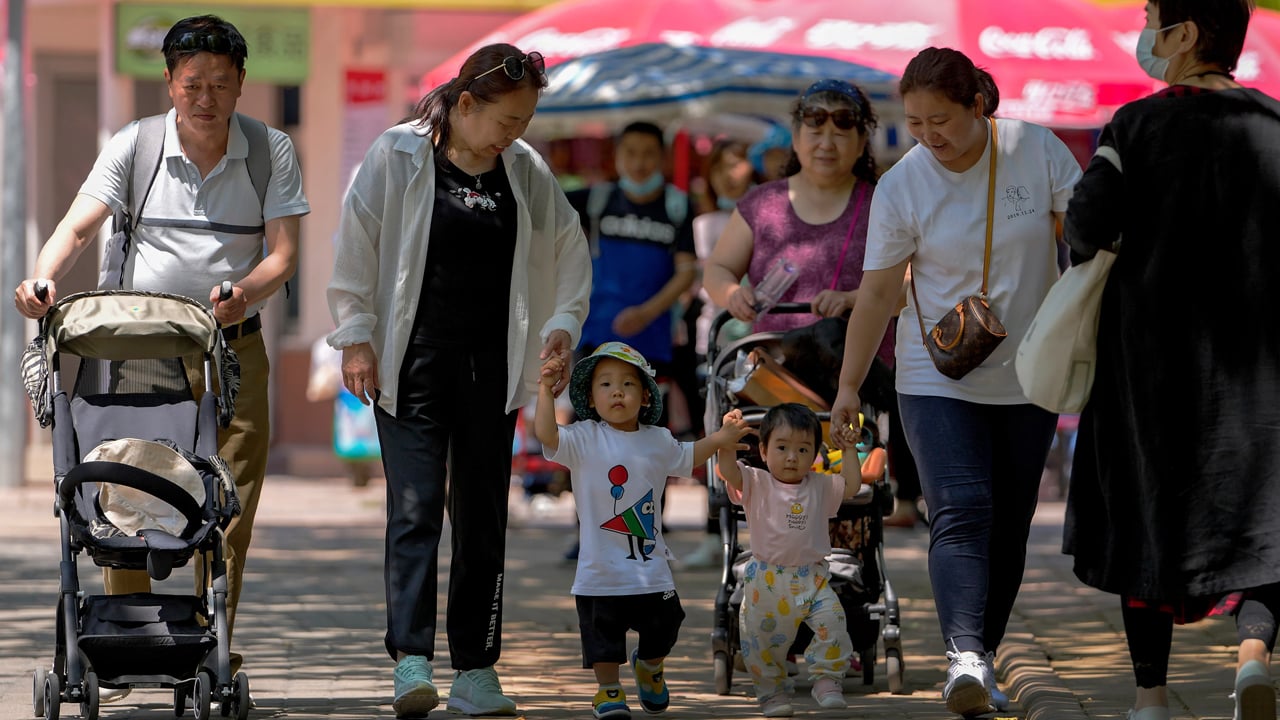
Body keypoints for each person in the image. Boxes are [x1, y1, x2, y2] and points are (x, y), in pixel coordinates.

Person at [13, 13, 308, 698]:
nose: (205, 98)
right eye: (191, 83)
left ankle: (215, 645)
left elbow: (284, 254)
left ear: (240, 86)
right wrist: (43, 278)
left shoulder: (270, 151)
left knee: (228, 502)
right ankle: (127, 639)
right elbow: (77, 226)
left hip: (232, 350)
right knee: (128, 487)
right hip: (142, 349)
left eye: (220, 84)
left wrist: (242, 295)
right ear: (171, 83)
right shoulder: (135, 145)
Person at [325, 43, 591, 718]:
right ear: (466, 104)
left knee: (481, 522)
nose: (516, 133)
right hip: (410, 365)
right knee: (413, 512)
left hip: (493, 370)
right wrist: (355, 334)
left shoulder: (524, 170)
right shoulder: (398, 154)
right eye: (507, 120)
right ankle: (411, 661)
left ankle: (476, 668)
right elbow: (356, 241)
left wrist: (561, 322)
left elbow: (568, 247)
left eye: (526, 121)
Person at [829, 46, 1082, 717]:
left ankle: (985, 656)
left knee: (1011, 525)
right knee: (962, 510)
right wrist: (849, 386)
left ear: (979, 105)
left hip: (1031, 369)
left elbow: (1086, 245)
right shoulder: (904, 185)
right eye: (913, 123)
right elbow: (879, 292)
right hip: (935, 373)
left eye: (939, 119)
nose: (927, 136)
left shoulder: (1036, 149)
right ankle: (963, 656)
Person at [1061, 2, 1280, 719]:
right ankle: (1252, 659)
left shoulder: (1136, 126)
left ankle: (1151, 698)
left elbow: (1087, 230)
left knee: (1145, 523)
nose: (1145, 34)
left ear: (1184, 35)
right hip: (1260, 374)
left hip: (1147, 371)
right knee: (1266, 522)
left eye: (1152, 18)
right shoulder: (1275, 125)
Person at [534, 341, 749, 719]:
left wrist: (720, 439)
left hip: (649, 567)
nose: (617, 391)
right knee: (603, 640)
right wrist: (544, 391)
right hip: (599, 571)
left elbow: (688, 455)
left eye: (628, 384)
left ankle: (649, 666)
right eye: (606, 384)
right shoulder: (583, 438)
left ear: (646, 397)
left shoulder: (658, 439)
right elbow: (547, 435)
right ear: (590, 397)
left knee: (667, 623)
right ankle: (609, 690)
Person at [717, 402, 862, 717]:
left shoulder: (820, 486)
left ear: (815, 455)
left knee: (834, 623)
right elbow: (727, 471)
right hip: (766, 581)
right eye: (782, 447)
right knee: (760, 641)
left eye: (803, 449)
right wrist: (725, 443)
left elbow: (851, 485)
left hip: (813, 578)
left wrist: (849, 450)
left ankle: (826, 681)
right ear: (764, 451)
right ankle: (771, 693)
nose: (792, 457)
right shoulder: (756, 481)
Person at [567, 120, 698, 406]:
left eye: (648, 153)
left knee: (648, 429)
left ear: (663, 158)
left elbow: (687, 272)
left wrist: (645, 313)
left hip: (653, 342)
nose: (639, 162)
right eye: (630, 152)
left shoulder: (677, 206)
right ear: (616, 155)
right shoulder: (597, 200)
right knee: (594, 431)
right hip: (595, 337)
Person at [682, 138, 760, 569]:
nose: (730, 174)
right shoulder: (705, 223)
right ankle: (717, 533)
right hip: (714, 342)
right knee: (713, 436)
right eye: (720, 167)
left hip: (759, 343)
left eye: (737, 163)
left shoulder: (768, 219)